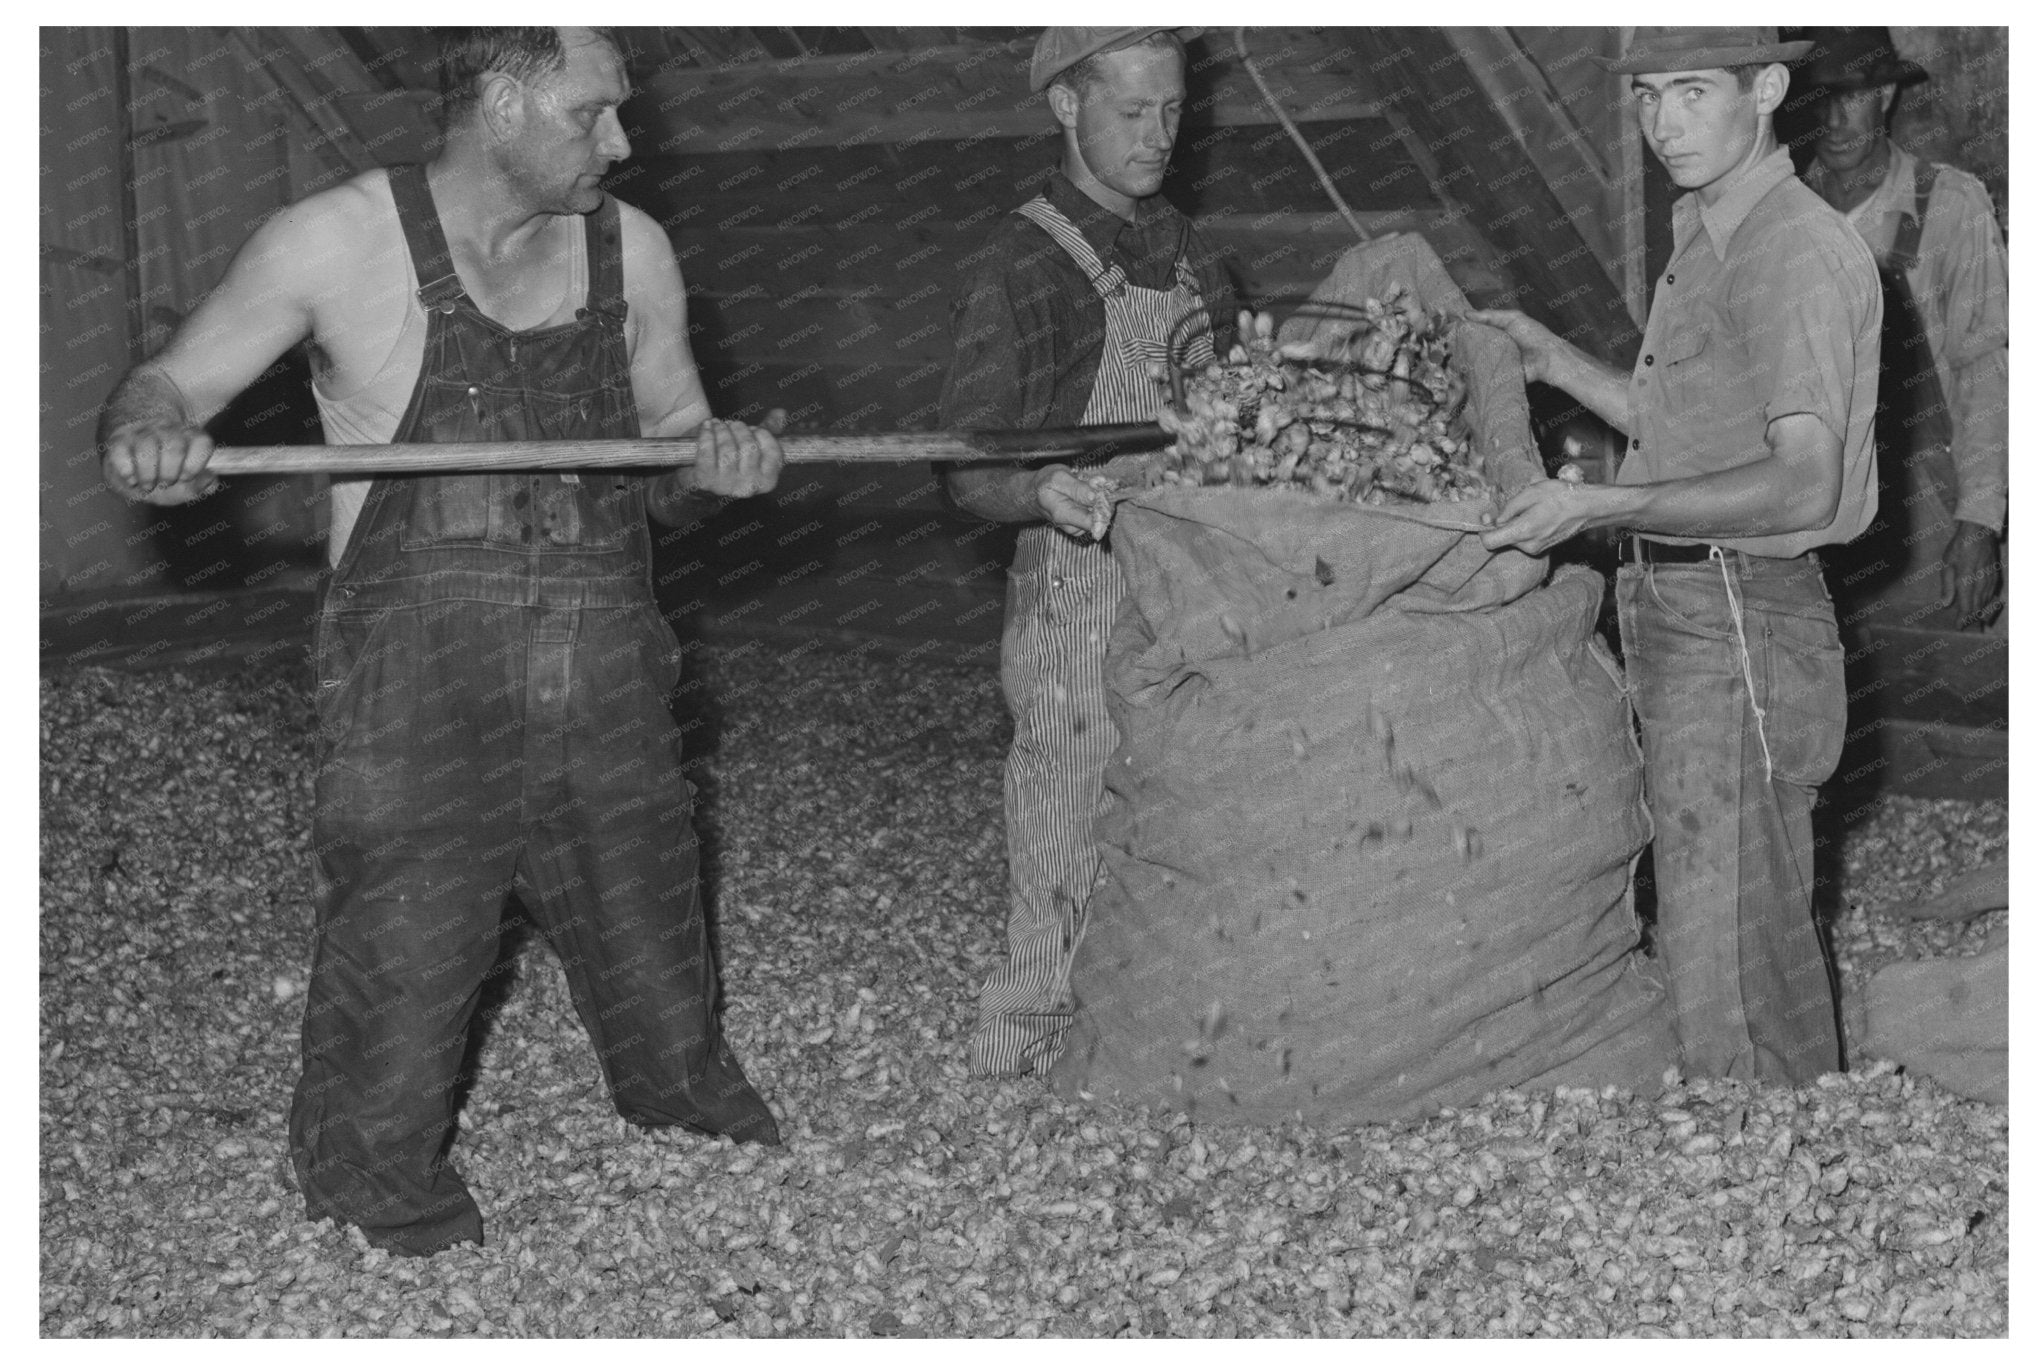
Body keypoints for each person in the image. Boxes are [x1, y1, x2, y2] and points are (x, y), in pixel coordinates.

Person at [98, 27, 786, 1256]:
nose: (621, 143)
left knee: (649, 916)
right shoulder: (335, 241)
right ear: (503, 101)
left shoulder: (634, 253)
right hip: (421, 685)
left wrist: (715, 464)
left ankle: (678, 1102)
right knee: (409, 947)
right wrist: (153, 440)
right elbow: (160, 395)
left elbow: (672, 456)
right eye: (593, 113)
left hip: (605, 671)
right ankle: (372, 1180)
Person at [1469, 27, 1880, 1084]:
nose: (1662, 124)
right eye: (1647, 95)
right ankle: (1759, 1155)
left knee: (1727, 915)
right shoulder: (1708, 229)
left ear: (1768, 89)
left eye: (1691, 92)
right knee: (1725, 908)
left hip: (1742, 608)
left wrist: (1597, 506)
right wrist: (1551, 359)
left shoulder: (1790, 246)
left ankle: (1746, 1167)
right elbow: (1678, 426)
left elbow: (1801, 481)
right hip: (1685, 603)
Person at [938, 26, 1235, 1076]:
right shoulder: (1021, 265)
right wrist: (1038, 489)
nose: (1157, 136)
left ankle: (1143, 1036)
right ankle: (1017, 1047)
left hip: (1186, 582)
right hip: (1076, 589)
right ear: (1066, 105)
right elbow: (964, 467)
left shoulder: (1192, 253)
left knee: (1177, 812)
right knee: (1063, 817)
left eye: (1170, 110)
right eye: (1129, 112)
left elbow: (1229, 413)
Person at [1794, 26, 2007, 630]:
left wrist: (1979, 523)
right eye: (1818, 97)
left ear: (1885, 93)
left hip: (1925, 520)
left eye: (1853, 95)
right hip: (1807, 522)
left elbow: (1987, 367)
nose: (1834, 119)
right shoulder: (1780, 212)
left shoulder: (1949, 205)